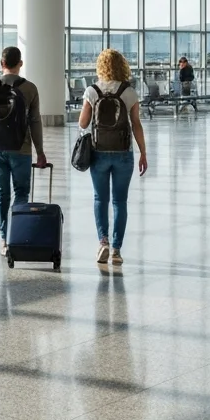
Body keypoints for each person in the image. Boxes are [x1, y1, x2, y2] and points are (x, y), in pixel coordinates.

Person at [78, 48, 147, 266]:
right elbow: (136, 124)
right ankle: (117, 250)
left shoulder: (92, 90)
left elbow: (83, 123)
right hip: (123, 153)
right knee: (120, 201)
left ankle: (103, 242)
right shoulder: (129, 92)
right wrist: (143, 153)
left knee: (100, 199)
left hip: (98, 152)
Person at [0, 46, 48, 258]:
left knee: (2, 194)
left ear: (2, 63)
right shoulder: (30, 89)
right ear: (20, 64)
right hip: (22, 148)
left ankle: (4, 239)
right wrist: (40, 151)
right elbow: (35, 121)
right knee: (21, 193)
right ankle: (18, 235)